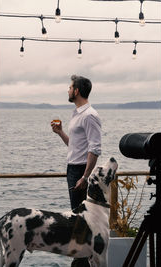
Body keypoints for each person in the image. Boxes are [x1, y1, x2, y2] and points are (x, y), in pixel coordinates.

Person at [51, 75, 102, 267]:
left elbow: (95, 149)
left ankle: (81, 262)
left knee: (81, 219)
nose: (68, 90)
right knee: (77, 216)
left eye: (70, 87)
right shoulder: (77, 114)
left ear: (77, 91)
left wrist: (85, 177)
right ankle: (82, 261)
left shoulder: (90, 115)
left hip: (80, 171)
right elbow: (75, 146)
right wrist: (61, 133)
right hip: (73, 169)